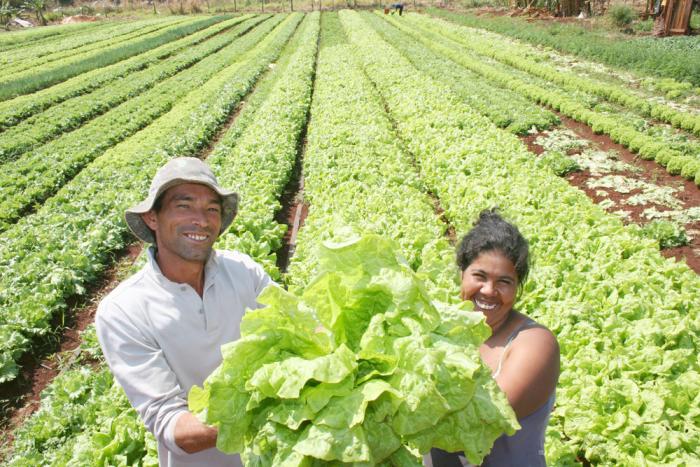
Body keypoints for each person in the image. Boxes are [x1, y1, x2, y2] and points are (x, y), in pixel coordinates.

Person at [95, 157, 272, 467]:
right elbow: (174, 427)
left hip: (277, 455)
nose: (201, 220)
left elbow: (302, 330)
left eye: (211, 209)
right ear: (152, 217)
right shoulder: (124, 311)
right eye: (184, 206)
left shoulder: (245, 272)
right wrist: (271, 405)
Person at [429, 209, 560, 467]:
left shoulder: (534, 343)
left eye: (504, 281)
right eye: (479, 276)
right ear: (462, 274)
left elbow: (483, 421)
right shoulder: (441, 327)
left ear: (518, 286)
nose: (489, 291)